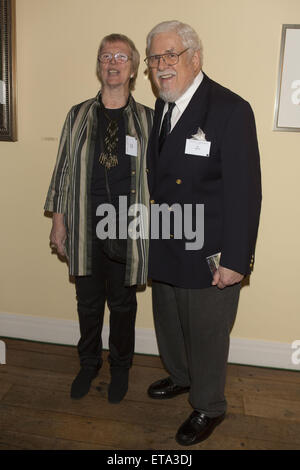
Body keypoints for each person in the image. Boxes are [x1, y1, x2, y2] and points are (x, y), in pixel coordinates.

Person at [144, 21, 261, 445]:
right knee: (170, 323)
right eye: (154, 58)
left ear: (195, 57)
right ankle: (180, 376)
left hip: (210, 251)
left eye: (170, 55)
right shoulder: (163, 106)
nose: (161, 66)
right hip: (168, 240)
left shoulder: (230, 109)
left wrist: (236, 260)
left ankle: (209, 404)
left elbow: (246, 192)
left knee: (208, 335)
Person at [44, 34, 153, 404]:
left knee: (123, 305)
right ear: (99, 65)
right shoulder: (77, 115)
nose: (113, 61)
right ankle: (88, 363)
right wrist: (59, 222)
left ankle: (120, 367)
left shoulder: (148, 119)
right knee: (88, 303)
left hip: (128, 225)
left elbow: (162, 179)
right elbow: (61, 172)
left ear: (134, 67)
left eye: (121, 56)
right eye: (106, 55)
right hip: (84, 224)